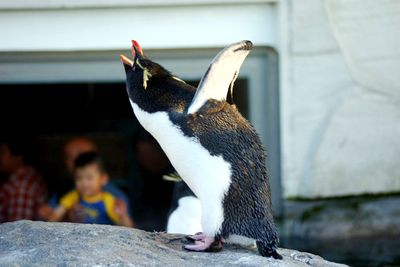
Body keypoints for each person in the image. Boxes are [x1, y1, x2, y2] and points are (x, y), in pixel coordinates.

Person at [39, 136, 131, 222]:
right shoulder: (64, 192)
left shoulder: (113, 196)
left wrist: (122, 216)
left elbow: (128, 229)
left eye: (81, 154)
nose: (75, 160)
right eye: (69, 156)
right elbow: (50, 219)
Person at [0, 136, 47, 222]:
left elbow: (18, 229)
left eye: (2, 153)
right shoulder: (23, 178)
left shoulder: (20, 186)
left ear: (18, 156)